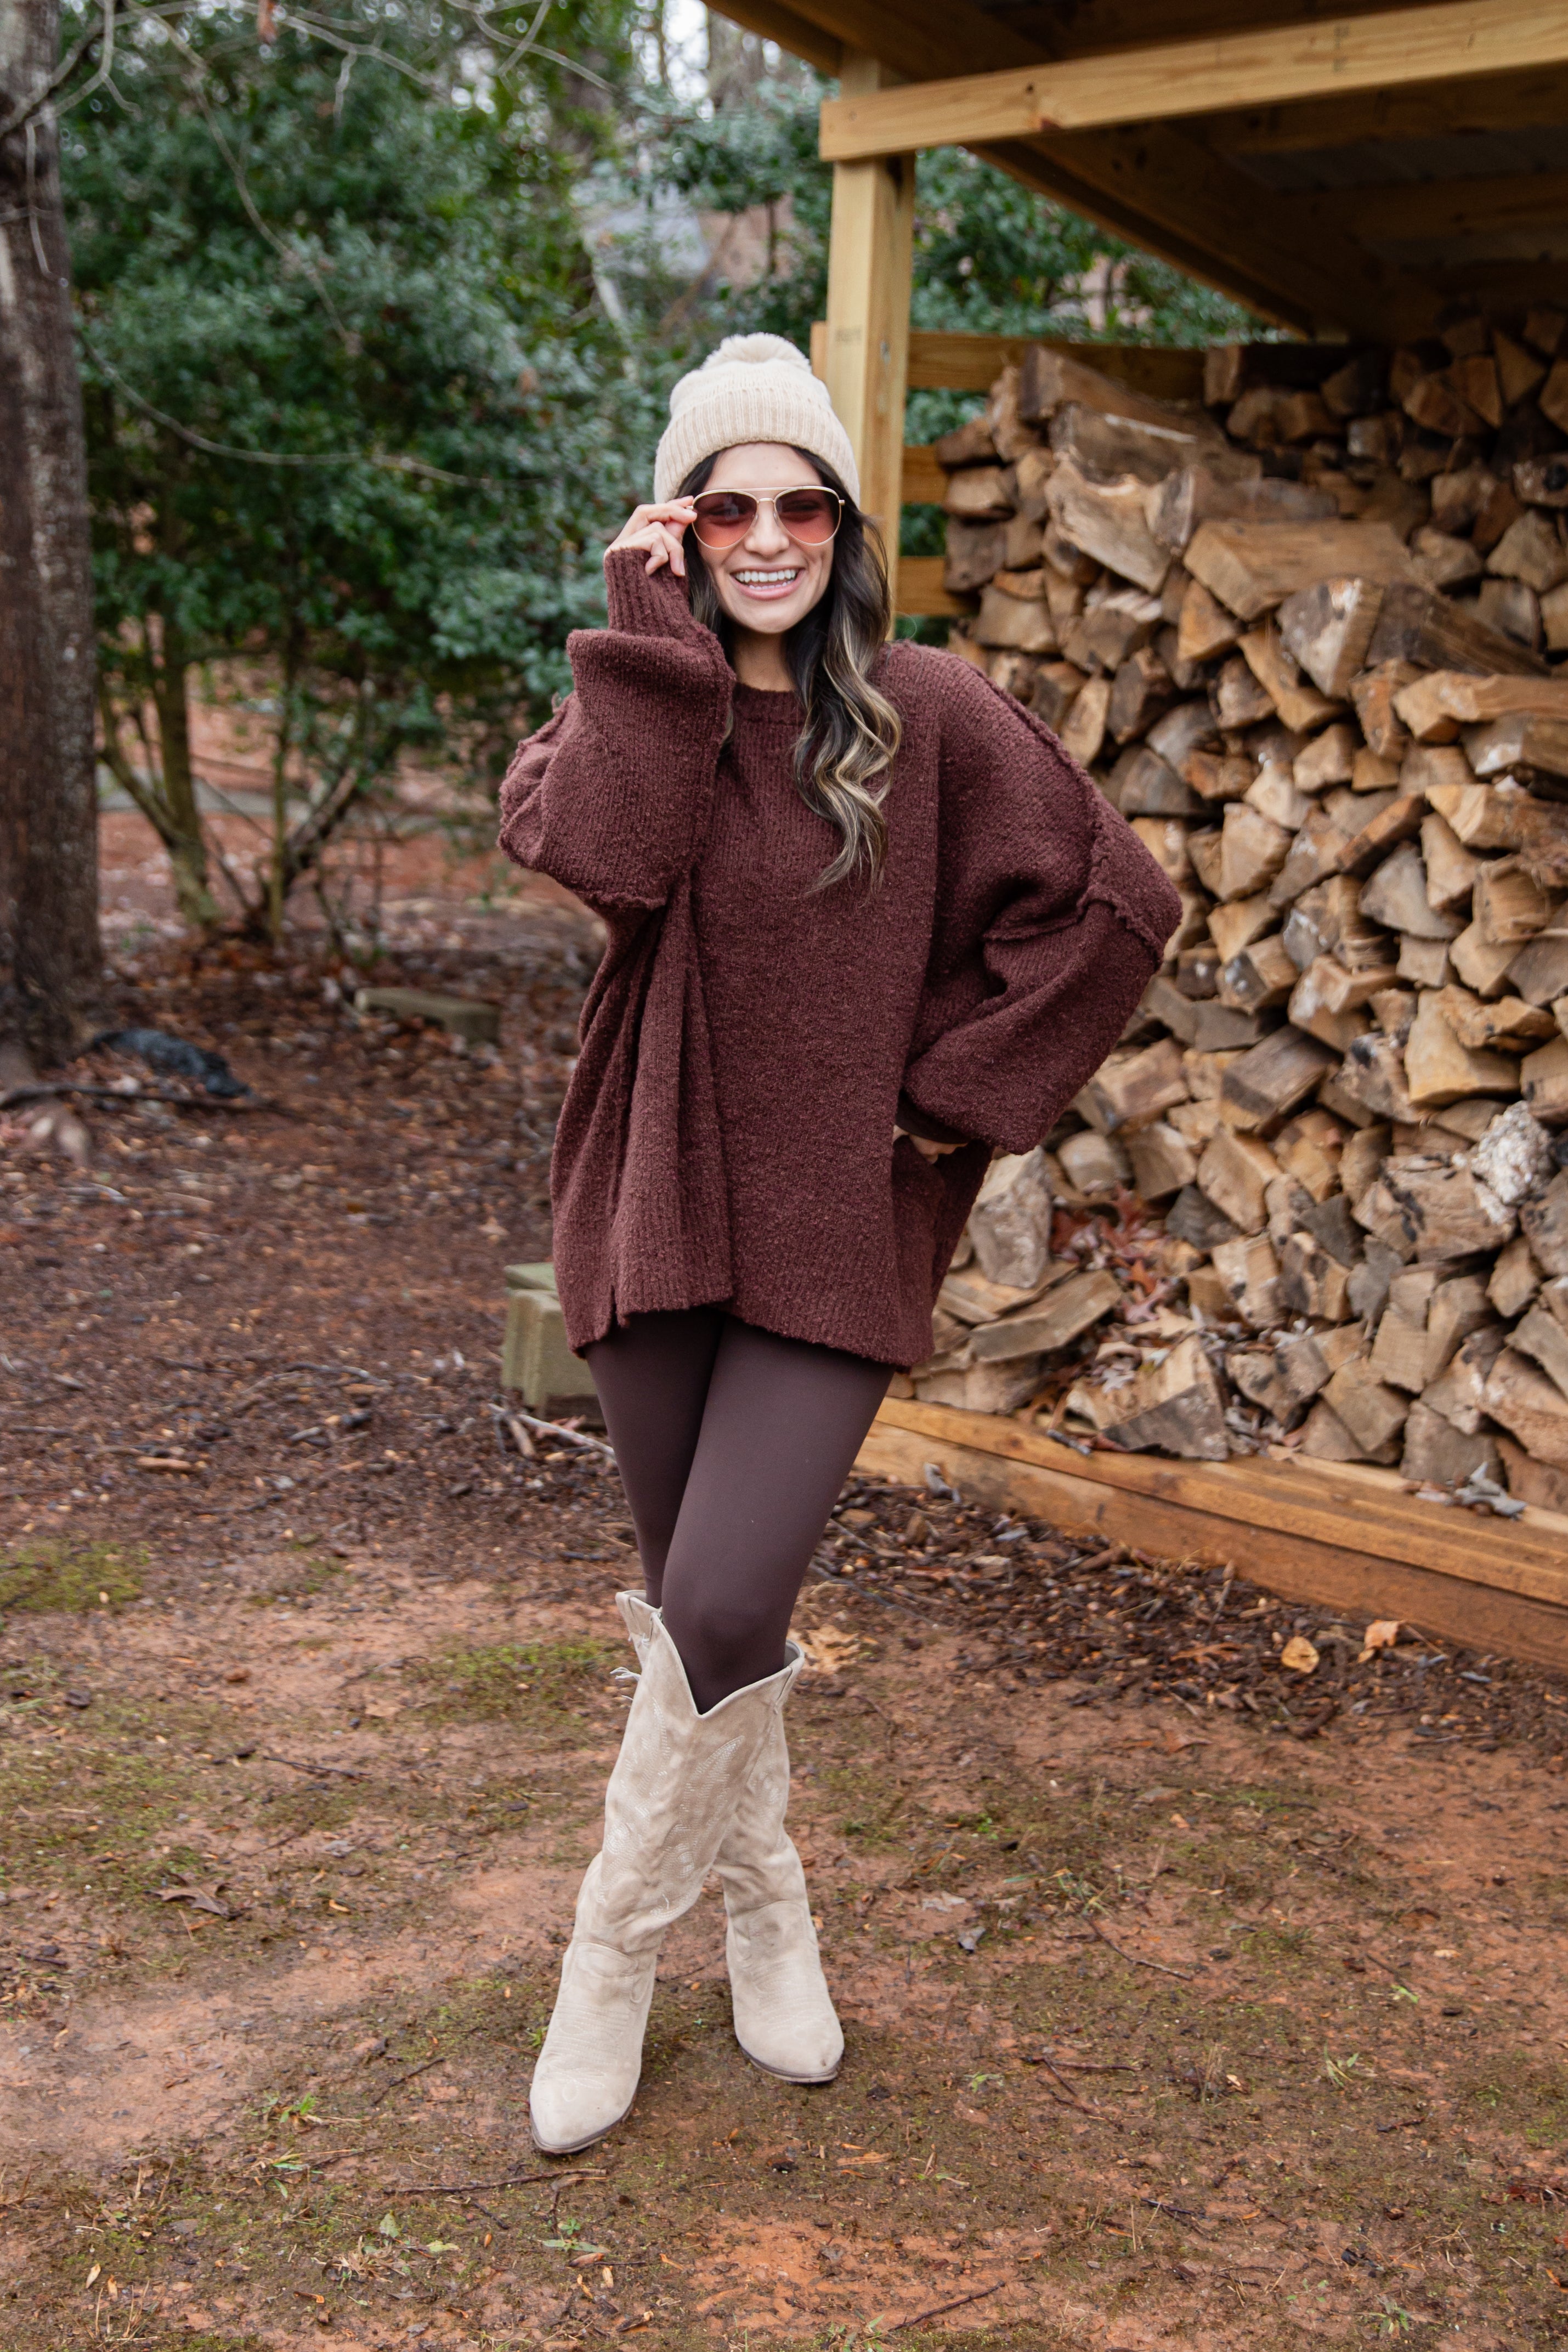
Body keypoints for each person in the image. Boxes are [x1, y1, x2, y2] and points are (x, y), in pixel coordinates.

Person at [498, 333, 1180, 2155]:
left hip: (833, 1227)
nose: (773, 534)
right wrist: (646, 641)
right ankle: (769, 1910)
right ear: (682, 526)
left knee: (719, 1605)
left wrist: (960, 1098)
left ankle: (609, 1963)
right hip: (649, 1203)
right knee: (704, 1632)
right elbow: (608, 858)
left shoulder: (932, 712)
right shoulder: (636, 703)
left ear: (844, 524)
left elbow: (1119, 904)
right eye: (730, 507)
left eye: (805, 501)